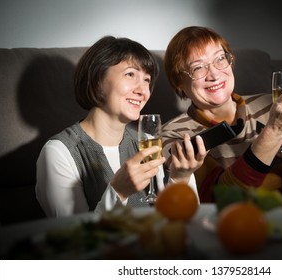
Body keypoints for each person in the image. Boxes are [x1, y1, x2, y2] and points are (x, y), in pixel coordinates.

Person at [35, 36, 198, 217]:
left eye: (147, 80)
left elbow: (177, 223)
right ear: (97, 80)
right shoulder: (58, 152)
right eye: (130, 74)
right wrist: (118, 192)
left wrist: (181, 177)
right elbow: (77, 239)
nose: (143, 91)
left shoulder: (147, 143)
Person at [161, 26, 282, 202]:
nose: (214, 74)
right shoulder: (172, 135)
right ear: (178, 82)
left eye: (220, 59)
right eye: (198, 68)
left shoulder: (272, 106)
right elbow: (224, 199)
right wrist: (274, 130)